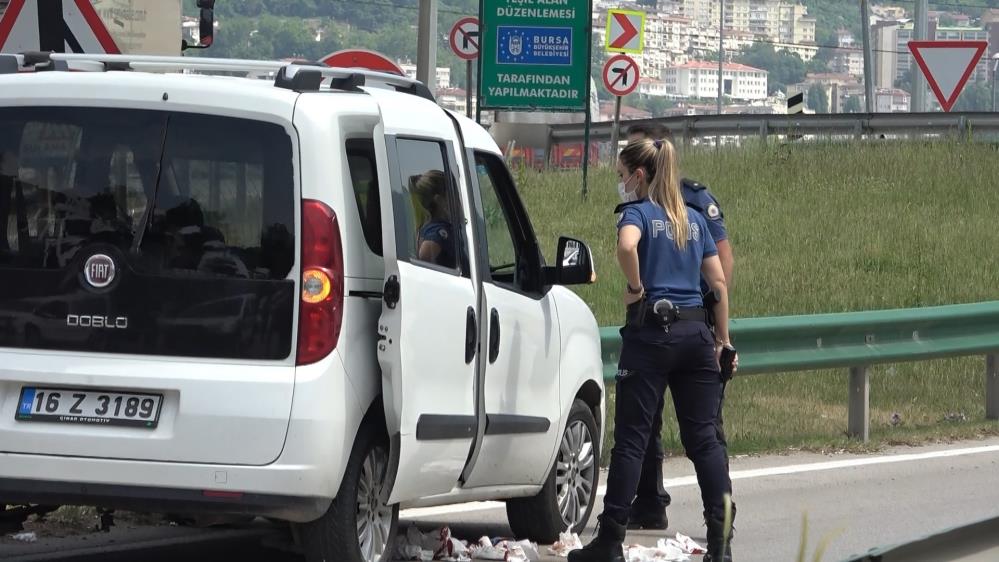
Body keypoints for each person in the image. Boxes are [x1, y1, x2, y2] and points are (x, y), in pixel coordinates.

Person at [569, 138, 734, 562]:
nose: (621, 184)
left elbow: (626, 246)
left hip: (651, 334)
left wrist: (637, 288)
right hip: (697, 336)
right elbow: (717, 284)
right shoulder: (693, 220)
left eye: (622, 176)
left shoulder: (637, 213)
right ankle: (721, 543)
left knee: (631, 441)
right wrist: (723, 340)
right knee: (705, 442)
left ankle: (609, 542)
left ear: (640, 175)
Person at [623, 124, 736, 532]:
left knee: (696, 433)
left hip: (683, 324)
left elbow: (722, 268)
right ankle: (654, 503)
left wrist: (716, 328)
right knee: (658, 429)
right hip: (681, 331)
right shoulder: (646, 205)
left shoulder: (690, 201)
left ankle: (719, 512)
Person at [411, 169, 456, 269]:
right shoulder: (438, 231)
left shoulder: (430, 227)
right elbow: (424, 256)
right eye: (454, 195)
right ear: (440, 201)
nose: (457, 200)